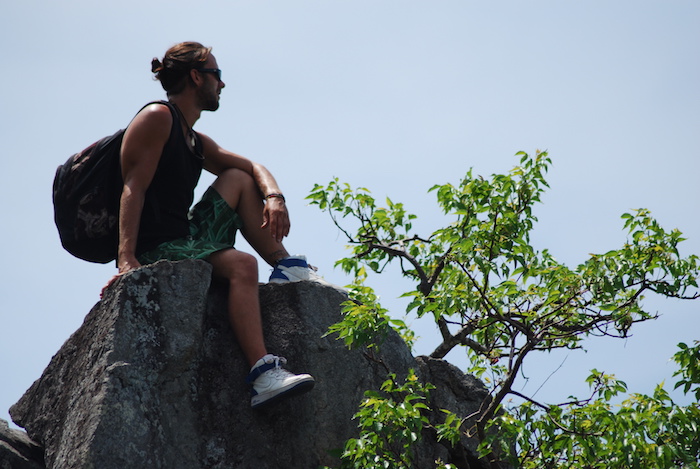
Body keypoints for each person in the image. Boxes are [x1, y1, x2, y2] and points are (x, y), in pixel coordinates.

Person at [105, 41, 319, 409]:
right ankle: (263, 375)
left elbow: (253, 167)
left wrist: (274, 197)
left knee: (237, 177)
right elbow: (132, 188)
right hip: (157, 247)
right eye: (217, 76)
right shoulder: (158, 117)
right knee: (242, 263)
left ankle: (285, 266)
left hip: (185, 237)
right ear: (195, 77)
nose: (222, 84)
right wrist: (126, 260)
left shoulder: (194, 139)